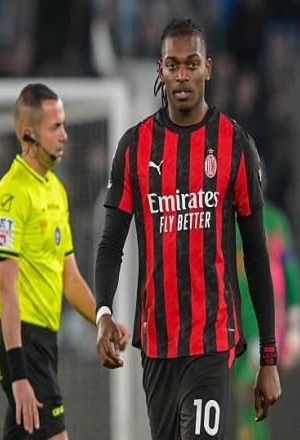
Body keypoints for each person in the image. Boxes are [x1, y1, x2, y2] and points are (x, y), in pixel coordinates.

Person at [95, 18, 281, 440]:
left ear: (208, 69)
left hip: (212, 340)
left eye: (191, 64)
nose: (182, 75)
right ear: (160, 70)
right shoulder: (134, 148)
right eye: (173, 65)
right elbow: (110, 243)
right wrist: (103, 313)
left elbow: (256, 253)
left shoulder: (234, 144)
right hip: (157, 343)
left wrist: (268, 357)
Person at [0, 83, 128, 440]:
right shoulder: (10, 196)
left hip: (45, 340)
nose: (65, 135)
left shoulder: (55, 190)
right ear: (28, 135)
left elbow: (70, 278)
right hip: (22, 341)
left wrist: (102, 319)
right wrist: (19, 374)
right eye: (55, 127)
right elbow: (6, 288)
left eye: (64, 125)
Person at [233, 164, 300, 439]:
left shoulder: (275, 222)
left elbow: (291, 273)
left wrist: (296, 325)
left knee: (253, 390)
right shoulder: (228, 224)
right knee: (244, 395)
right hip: (234, 324)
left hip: (265, 325)